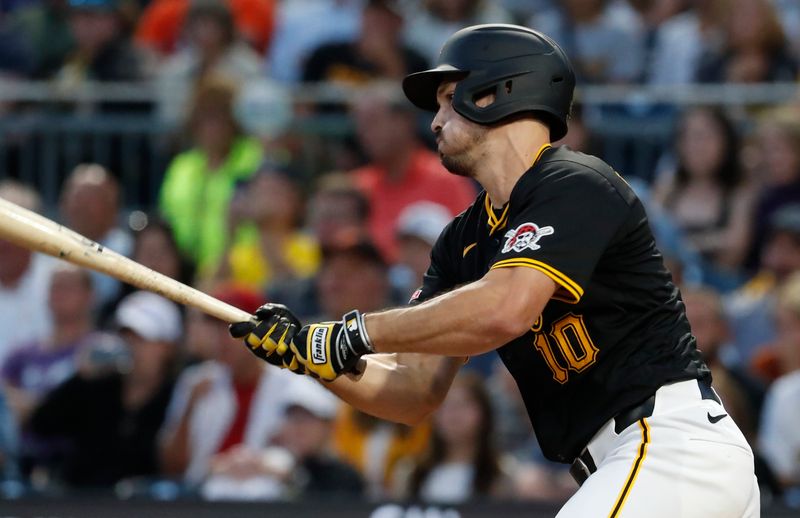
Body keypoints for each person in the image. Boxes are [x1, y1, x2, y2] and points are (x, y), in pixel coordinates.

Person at [231, 24, 759, 516]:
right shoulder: (462, 240)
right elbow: (414, 391)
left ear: (499, 90)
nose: (434, 120)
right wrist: (315, 360)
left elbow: (506, 307)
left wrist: (354, 333)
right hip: (635, 466)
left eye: (446, 99)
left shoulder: (576, 180)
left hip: (669, 445)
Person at [26, 291, 179, 488]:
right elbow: (41, 426)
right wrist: (80, 377)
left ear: (168, 347)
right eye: (125, 336)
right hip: (81, 504)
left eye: (142, 338)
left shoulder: (177, 394)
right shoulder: (97, 386)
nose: (132, 346)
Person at [393, 371, 514, 503]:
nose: (454, 413)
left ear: (484, 413)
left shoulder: (503, 474)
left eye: (464, 404)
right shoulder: (411, 472)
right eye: (445, 405)